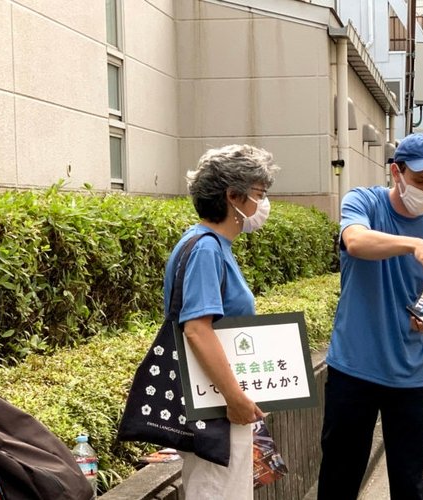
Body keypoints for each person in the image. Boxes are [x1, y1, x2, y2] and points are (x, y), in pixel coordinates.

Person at [317, 133, 423, 500]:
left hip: (411, 374)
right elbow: (355, 241)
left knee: (410, 484)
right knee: (339, 478)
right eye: (419, 181)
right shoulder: (363, 202)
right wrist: (413, 244)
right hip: (353, 367)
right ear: (396, 172)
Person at [164, 145, 277, 497]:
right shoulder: (206, 249)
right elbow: (197, 329)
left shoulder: (208, 244)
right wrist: (234, 396)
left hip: (219, 403)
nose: (262, 205)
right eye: (258, 194)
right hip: (216, 409)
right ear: (232, 196)